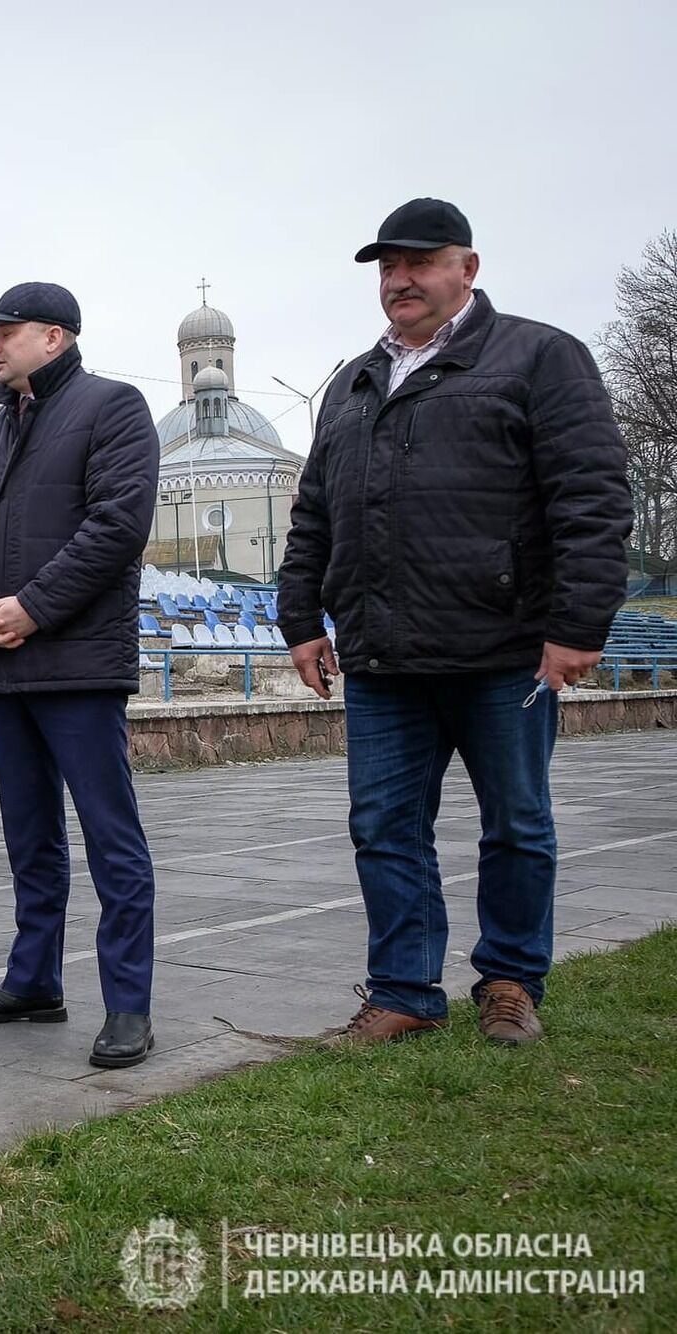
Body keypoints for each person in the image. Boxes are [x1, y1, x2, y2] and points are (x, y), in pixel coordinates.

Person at [277, 199, 633, 1047]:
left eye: (419, 262)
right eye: (386, 268)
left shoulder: (540, 357)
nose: (399, 280)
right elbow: (315, 513)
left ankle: (510, 981)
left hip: (504, 649)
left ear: (466, 268)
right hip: (384, 657)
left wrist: (579, 622)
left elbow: (592, 497)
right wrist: (300, 615)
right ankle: (404, 991)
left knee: (516, 822)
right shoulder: (354, 382)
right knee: (384, 828)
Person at [0, 282, 162, 1070]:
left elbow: (117, 528)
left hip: (78, 664)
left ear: (56, 338)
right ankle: (33, 982)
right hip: (5, 664)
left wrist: (31, 608)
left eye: (8, 331)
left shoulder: (114, 407)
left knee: (111, 841)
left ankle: (128, 1005)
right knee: (30, 840)